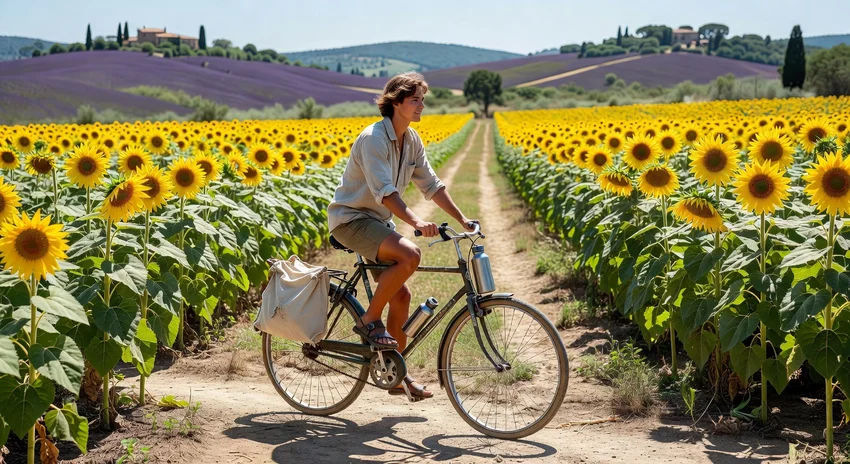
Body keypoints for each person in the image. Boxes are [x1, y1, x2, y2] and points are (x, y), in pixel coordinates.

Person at [327, 72, 478, 399]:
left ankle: (396, 376)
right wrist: (415, 221)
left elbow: (432, 185)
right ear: (396, 102)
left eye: (423, 99)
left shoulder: (411, 140)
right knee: (410, 254)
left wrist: (463, 219)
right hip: (351, 219)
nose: (422, 105)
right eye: (416, 99)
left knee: (403, 297)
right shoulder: (374, 138)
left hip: (376, 221)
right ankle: (369, 319)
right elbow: (385, 193)